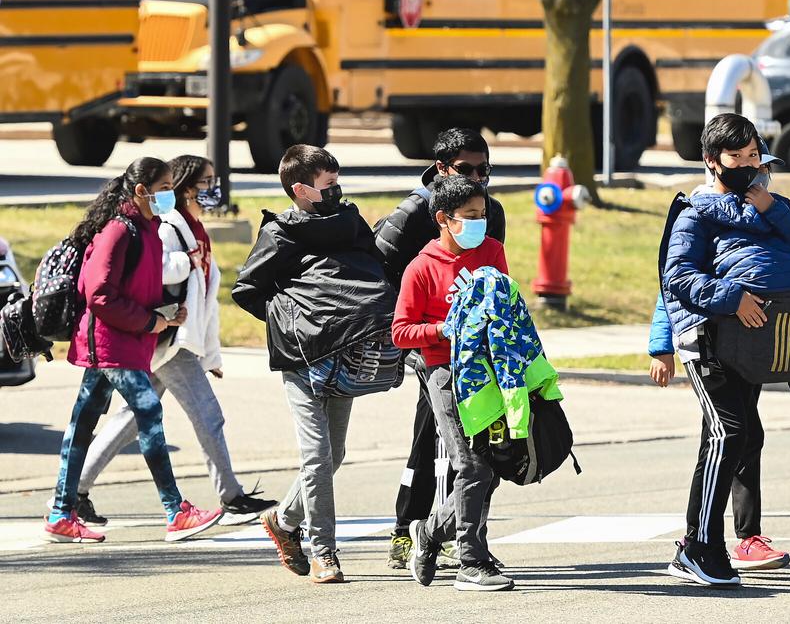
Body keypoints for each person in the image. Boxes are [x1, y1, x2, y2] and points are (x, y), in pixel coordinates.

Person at [656, 114, 790, 587]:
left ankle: (694, 545)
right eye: (737, 157)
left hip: (755, 345)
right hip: (707, 341)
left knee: (737, 437)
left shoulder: (773, 208)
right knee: (729, 433)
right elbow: (677, 277)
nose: (748, 165)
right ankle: (702, 549)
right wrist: (733, 299)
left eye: (754, 155)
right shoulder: (694, 214)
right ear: (712, 161)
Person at [73, 156, 277, 527]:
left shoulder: (195, 227)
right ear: (186, 189)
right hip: (168, 339)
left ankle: (75, 491)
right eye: (207, 182)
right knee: (207, 414)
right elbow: (153, 273)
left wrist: (211, 354)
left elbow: (205, 298)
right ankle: (229, 497)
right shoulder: (168, 226)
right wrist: (185, 261)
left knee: (132, 418)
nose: (214, 188)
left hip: (175, 338)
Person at [232, 145, 397, 584]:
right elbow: (247, 290)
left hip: (347, 351)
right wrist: (294, 323)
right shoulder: (280, 233)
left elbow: (372, 266)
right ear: (301, 190)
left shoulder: (349, 221)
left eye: (337, 182)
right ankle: (324, 552)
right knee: (318, 457)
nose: (337, 190)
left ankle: (282, 520)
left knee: (334, 453)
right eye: (329, 185)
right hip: (302, 359)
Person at [45, 158, 223, 544]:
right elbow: (99, 294)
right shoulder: (118, 230)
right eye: (164, 187)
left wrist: (165, 315)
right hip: (112, 343)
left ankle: (61, 513)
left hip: (123, 341)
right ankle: (176, 511)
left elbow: (135, 287)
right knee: (149, 413)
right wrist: (149, 322)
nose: (170, 195)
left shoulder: (148, 228)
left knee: (82, 424)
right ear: (141, 190)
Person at [374, 127, 506, 570]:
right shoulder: (414, 213)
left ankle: (460, 535)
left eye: (484, 170)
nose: (477, 178)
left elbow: (494, 279)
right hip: (429, 347)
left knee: (481, 453)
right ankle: (409, 529)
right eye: (466, 169)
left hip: (476, 352)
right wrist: (430, 322)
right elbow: (379, 270)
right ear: (442, 169)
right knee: (435, 440)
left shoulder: (489, 213)